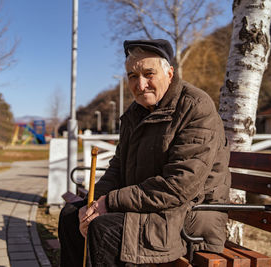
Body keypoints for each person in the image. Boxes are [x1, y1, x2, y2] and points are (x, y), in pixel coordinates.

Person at [58, 39, 231, 267]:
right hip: (150, 209)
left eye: (149, 74)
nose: (140, 85)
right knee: (72, 215)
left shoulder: (196, 108)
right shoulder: (135, 113)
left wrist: (109, 202)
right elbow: (118, 168)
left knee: (104, 229)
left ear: (169, 73)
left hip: (187, 216)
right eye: (132, 76)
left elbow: (179, 186)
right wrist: (93, 204)